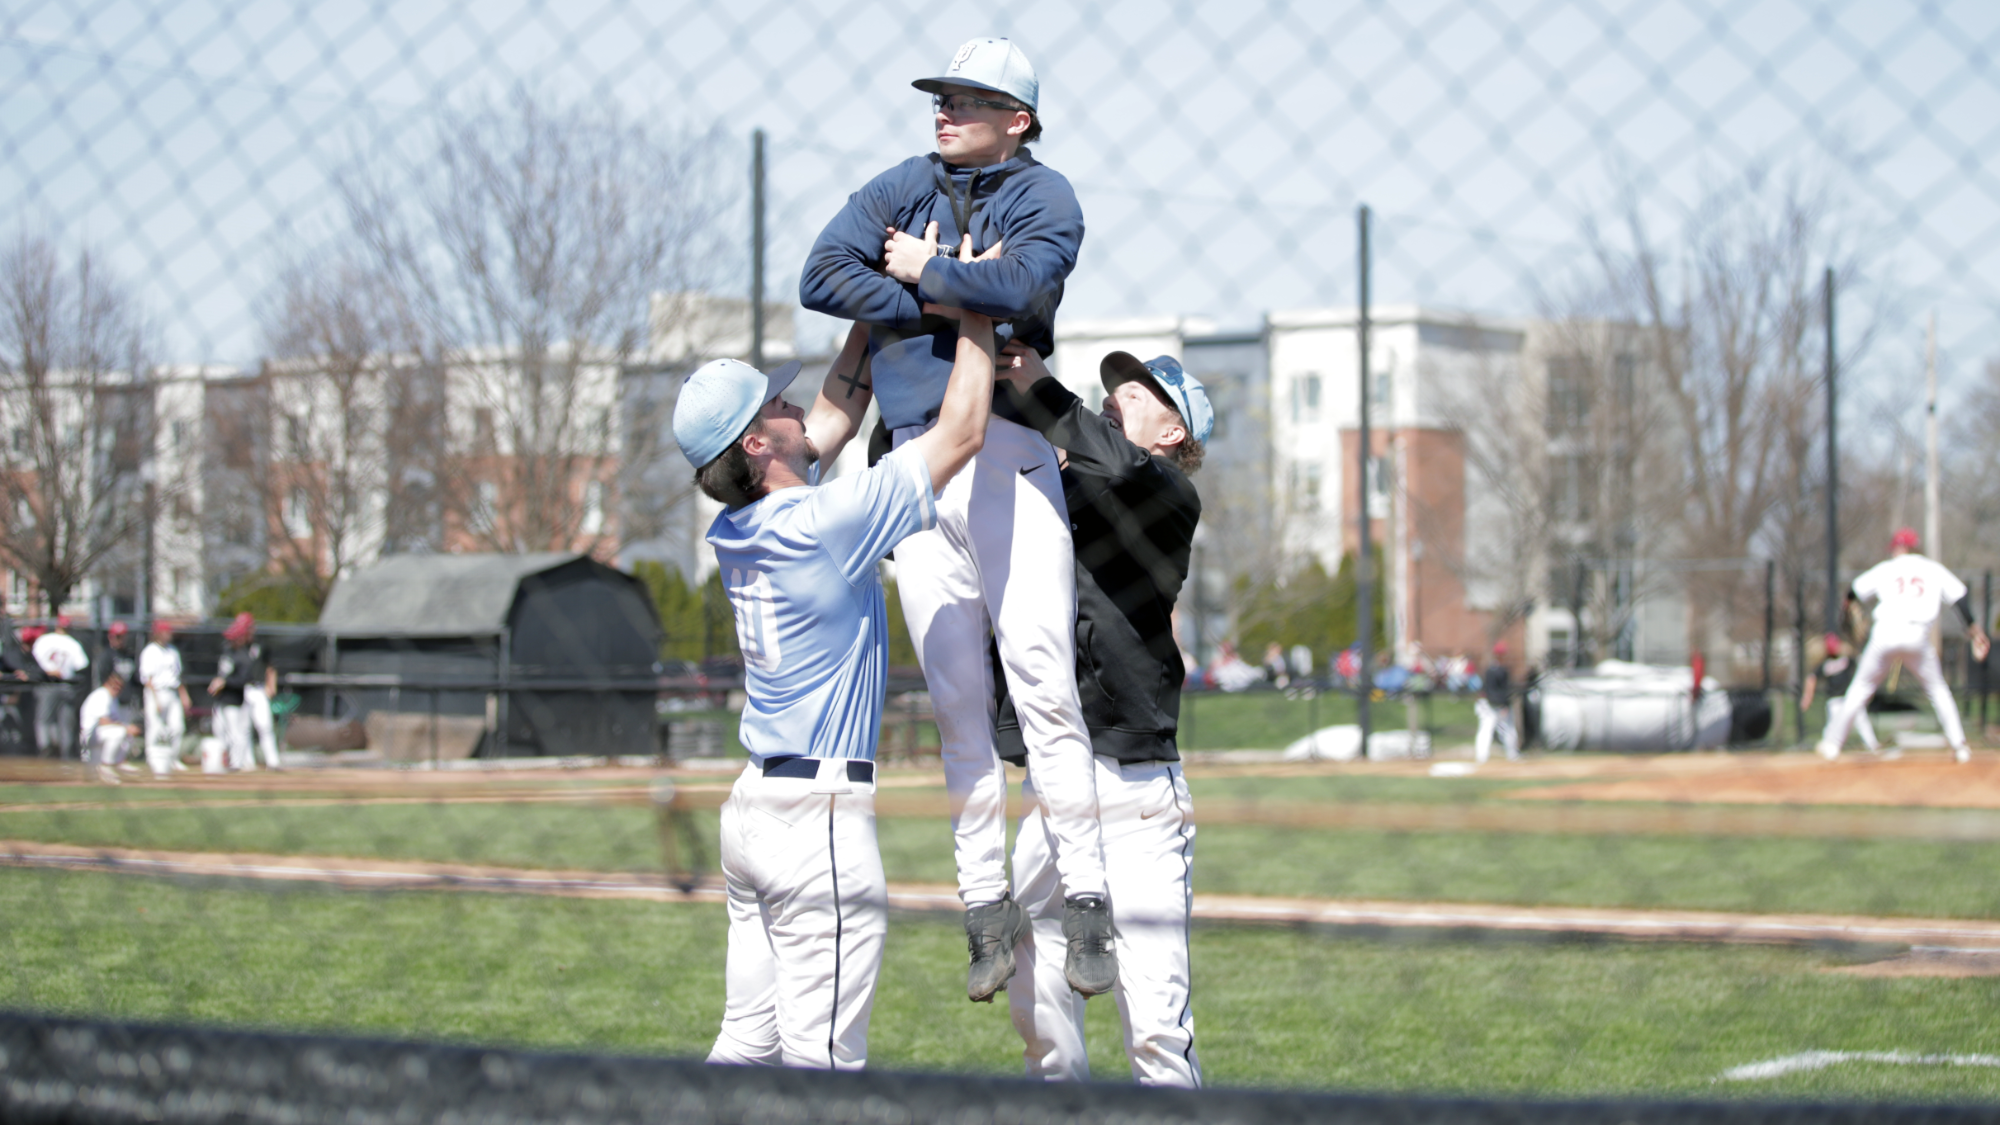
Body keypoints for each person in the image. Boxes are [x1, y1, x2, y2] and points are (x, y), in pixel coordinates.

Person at [799, 38, 1113, 998]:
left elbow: (1025, 288)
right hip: (912, 463)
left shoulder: (1045, 194)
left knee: (1043, 681)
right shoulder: (902, 181)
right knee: (953, 701)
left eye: (969, 99)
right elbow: (821, 274)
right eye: (940, 96)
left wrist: (924, 273)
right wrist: (939, 282)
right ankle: (984, 905)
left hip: (1011, 452)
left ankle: (1091, 900)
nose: (944, 111)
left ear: (1017, 117)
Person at [686, 301, 997, 1070]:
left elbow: (836, 411)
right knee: (821, 1066)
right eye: (777, 405)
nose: (797, 404)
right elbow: (961, 431)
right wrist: (977, 309)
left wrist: (872, 313)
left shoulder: (739, 524)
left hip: (755, 809)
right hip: (813, 822)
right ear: (758, 443)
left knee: (746, 1041)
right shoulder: (824, 522)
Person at [989, 349, 1209, 1087]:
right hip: (1055, 784)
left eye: (1140, 392)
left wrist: (1032, 380)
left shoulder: (1168, 495)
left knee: (1155, 1029)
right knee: (1038, 1010)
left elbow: (1113, 463)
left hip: (1137, 790)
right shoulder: (1066, 484)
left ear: (1175, 430)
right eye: (1114, 386)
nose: (1118, 395)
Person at [1817, 528, 1990, 762]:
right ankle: (1960, 747)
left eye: (1896, 548)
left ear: (1902, 548)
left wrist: (1847, 608)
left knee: (1859, 689)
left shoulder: (1887, 568)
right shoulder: (1932, 568)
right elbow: (1960, 599)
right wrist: (1974, 630)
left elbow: (1853, 592)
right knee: (1938, 689)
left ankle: (1832, 745)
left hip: (1884, 633)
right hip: (1917, 635)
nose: (1894, 552)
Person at [209, 613, 280, 771]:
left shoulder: (259, 645)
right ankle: (247, 762)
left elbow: (271, 666)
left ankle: (273, 762)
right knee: (243, 728)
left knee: (265, 725)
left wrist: (271, 686)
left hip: (257, 688)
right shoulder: (233, 649)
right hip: (241, 689)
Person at [1800, 632, 1881, 755]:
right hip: (1834, 700)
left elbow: (1863, 664)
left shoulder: (1846, 659)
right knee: (1833, 724)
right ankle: (1827, 746)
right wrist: (1807, 697)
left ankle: (1873, 745)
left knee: (1862, 720)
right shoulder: (1825, 664)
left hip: (1849, 697)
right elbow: (1811, 678)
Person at [31, 615, 88, 759]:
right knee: (66, 725)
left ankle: (47, 751)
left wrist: (48, 670)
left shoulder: (44, 639)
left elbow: (34, 660)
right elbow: (82, 665)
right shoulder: (73, 643)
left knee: (44, 720)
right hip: (66, 685)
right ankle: (65, 757)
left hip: (48, 683)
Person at [139, 620, 191, 776]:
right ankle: (152, 760)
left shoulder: (173, 651)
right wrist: (155, 700)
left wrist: (184, 695)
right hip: (156, 691)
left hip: (172, 691)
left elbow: (178, 676)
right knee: (155, 728)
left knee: (177, 727)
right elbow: (147, 679)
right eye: (165, 631)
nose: (168, 634)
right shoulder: (150, 651)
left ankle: (173, 759)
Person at [78, 671, 140, 785]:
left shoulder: (113, 698)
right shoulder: (102, 695)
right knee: (120, 732)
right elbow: (103, 721)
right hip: (90, 735)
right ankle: (108, 766)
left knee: (92, 776)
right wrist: (126, 727)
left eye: (119, 686)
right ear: (108, 682)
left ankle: (117, 764)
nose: (117, 688)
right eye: (114, 684)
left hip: (100, 735)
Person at [1473, 641, 1519, 764]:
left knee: (1489, 729)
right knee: (1502, 728)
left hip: (1488, 703)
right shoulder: (1499, 670)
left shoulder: (1490, 669)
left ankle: (1483, 757)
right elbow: (1498, 691)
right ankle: (1511, 754)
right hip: (1492, 704)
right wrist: (1503, 705)